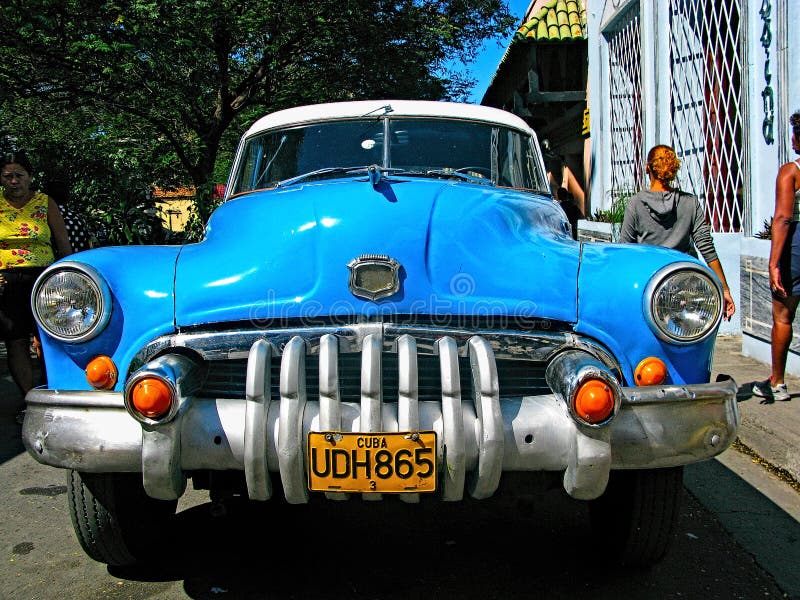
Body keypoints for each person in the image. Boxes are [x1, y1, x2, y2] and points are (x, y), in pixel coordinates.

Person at [619, 144, 736, 321]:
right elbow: (706, 247)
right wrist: (724, 289)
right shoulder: (690, 203)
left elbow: (625, 251)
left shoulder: (635, 203)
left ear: (647, 168)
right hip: (685, 284)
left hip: (648, 285)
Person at [0, 152, 72, 420]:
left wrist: (66, 276)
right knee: (16, 340)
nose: (14, 181)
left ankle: (54, 393)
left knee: (50, 338)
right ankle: (30, 400)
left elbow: (62, 244)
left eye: (19, 175)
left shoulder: (45, 203)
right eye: (8, 176)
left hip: (43, 279)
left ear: (29, 177)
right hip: (7, 281)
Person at [752, 111, 800, 402]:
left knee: (783, 315)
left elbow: (782, 218)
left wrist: (773, 264)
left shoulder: (791, 171)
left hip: (796, 247)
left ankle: (778, 382)